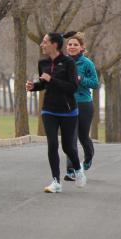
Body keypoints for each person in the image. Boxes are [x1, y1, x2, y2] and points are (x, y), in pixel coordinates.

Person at [26, 33, 86, 193]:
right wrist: (34, 86)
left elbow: (73, 87)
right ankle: (56, 181)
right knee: (52, 144)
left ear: (54, 44)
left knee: (68, 147)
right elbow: (44, 84)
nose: (42, 44)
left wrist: (52, 79)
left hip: (68, 110)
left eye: (45, 42)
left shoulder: (68, 63)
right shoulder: (43, 62)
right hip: (49, 110)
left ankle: (78, 169)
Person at [63, 32, 99, 181]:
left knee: (83, 136)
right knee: (70, 138)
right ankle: (71, 170)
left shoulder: (87, 63)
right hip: (67, 104)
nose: (72, 47)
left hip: (84, 103)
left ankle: (89, 156)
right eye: (70, 44)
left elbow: (95, 83)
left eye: (75, 45)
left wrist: (81, 79)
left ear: (81, 47)